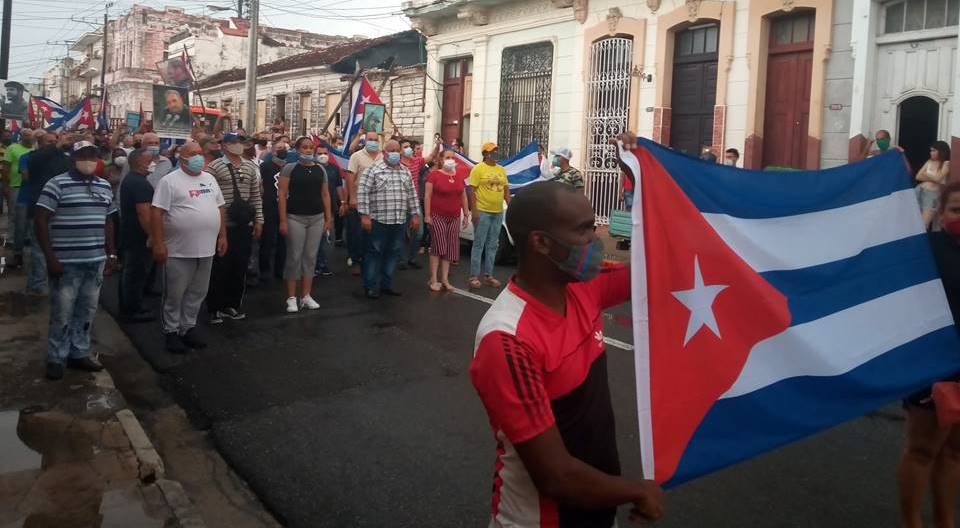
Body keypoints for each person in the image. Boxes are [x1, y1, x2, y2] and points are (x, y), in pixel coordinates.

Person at [470, 181, 664, 526]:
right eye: (583, 230)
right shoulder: (507, 339)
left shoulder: (580, 287)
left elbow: (653, 270)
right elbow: (555, 475)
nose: (595, 240)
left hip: (595, 507)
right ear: (541, 242)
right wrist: (636, 491)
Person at [898, 182, 960, 528]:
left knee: (954, 452)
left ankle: (945, 521)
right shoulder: (929, 249)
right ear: (940, 214)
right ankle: (911, 521)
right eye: (956, 210)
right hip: (932, 366)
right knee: (923, 450)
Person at [34, 140, 118, 380]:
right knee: (62, 312)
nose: (89, 160)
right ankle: (56, 357)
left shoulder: (103, 186)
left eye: (93, 155)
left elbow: (109, 220)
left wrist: (111, 253)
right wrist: (49, 258)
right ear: (73, 158)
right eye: (84, 155)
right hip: (65, 262)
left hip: (95, 260)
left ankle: (79, 352)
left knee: (88, 310)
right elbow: (41, 220)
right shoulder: (57, 184)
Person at [151, 142, 227, 353]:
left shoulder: (209, 179)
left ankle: (188, 327)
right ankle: (171, 331)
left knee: (197, 291)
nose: (198, 158)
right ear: (181, 157)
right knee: (175, 293)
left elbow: (219, 208)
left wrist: (222, 236)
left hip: (207, 248)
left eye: (200, 154)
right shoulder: (169, 181)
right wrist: (158, 243)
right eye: (193, 154)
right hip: (178, 250)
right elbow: (157, 212)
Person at [205, 133, 264, 324]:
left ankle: (232, 305)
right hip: (222, 225)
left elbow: (255, 195)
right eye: (234, 143)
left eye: (240, 142)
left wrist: (259, 220)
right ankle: (214, 307)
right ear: (224, 146)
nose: (238, 146)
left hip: (243, 225)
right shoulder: (215, 167)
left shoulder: (249, 166)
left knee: (239, 266)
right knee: (220, 267)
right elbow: (210, 197)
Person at [357, 139, 421, 299]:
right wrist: (364, 215)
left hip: (399, 221)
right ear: (384, 152)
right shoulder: (373, 170)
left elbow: (411, 194)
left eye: (396, 150)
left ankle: (386, 285)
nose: (394, 153)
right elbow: (363, 193)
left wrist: (415, 214)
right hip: (378, 220)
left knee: (393, 254)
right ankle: (370, 286)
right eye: (390, 150)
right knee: (374, 253)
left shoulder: (404, 171)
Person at [278, 138, 332, 313]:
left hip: (316, 218)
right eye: (305, 147)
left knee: (310, 257)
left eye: (311, 148)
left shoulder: (320, 169)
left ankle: (306, 296)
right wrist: (283, 220)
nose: (308, 150)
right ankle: (291, 297)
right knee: (294, 256)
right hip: (295, 217)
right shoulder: (290, 168)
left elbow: (325, 195)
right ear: (297, 149)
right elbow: (282, 194)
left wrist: (328, 218)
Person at [24, 133, 73, 294]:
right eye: (50, 142)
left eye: (55, 141)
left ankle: (49, 282)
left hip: (59, 210)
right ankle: (39, 286)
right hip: (39, 210)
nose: (54, 144)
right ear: (40, 144)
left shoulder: (65, 160)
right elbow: (36, 160)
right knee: (39, 250)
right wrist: (57, 145)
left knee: (55, 249)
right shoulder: (34, 157)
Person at [117, 148, 156, 323]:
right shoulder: (140, 183)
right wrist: (152, 235)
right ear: (139, 162)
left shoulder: (133, 180)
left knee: (132, 273)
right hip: (138, 236)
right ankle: (132, 310)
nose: (153, 163)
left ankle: (131, 305)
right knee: (135, 274)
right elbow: (144, 213)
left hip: (130, 233)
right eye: (150, 160)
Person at [424, 149, 469, 292]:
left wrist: (466, 214)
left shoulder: (459, 175)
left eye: (452, 157)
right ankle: (434, 278)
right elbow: (428, 196)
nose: (451, 160)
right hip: (437, 215)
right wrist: (427, 215)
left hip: (454, 216)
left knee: (450, 247)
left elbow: (463, 196)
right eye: (447, 157)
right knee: (439, 245)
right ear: (441, 160)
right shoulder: (434, 175)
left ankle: (445, 279)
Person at [468, 142, 510, 290]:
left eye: (497, 150)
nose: (496, 153)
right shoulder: (478, 169)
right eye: (493, 151)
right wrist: (474, 211)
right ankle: (474, 276)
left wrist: (510, 206)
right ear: (485, 154)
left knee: (493, 244)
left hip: (497, 212)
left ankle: (488, 275)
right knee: (479, 244)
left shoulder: (501, 169)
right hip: (483, 211)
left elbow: (506, 189)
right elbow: (472, 191)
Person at [346, 131, 383, 275]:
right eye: (370, 139)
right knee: (357, 233)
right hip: (360, 201)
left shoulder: (382, 157)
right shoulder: (356, 156)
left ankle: (370, 262)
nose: (373, 141)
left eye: (375, 139)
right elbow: (350, 177)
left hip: (377, 202)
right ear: (365, 140)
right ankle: (356, 260)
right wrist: (352, 197)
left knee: (373, 234)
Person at [399, 138, 438, 270]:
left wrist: (437, 145)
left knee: (419, 232)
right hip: (400, 203)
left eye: (409, 146)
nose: (409, 149)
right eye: (405, 146)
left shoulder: (416, 161)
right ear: (400, 150)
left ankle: (412, 258)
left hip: (414, 203)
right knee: (402, 233)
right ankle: (402, 259)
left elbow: (431, 156)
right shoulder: (396, 164)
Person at [3, 128, 35, 268]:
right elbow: (6, 167)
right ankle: (11, 238)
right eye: (26, 135)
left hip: (29, 188)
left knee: (26, 216)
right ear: (21, 136)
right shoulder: (12, 148)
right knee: (14, 214)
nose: (29, 137)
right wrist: (6, 185)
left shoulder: (35, 149)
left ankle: (25, 238)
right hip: (15, 185)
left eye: (30, 135)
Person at [258, 140, 288, 281]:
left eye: (284, 148)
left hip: (285, 208)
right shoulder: (265, 166)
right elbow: (259, 185)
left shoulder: (289, 168)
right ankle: (264, 269)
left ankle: (280, 270)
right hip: (269, 207)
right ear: (273, 151)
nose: (282, 150)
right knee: (267, 239)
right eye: (279, 148)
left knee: (283, 241)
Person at [314, 144, 345, 277]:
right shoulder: (312, 168)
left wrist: (343, 202)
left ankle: (323, 265)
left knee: (326, 238)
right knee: (315, 239)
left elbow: (339, 186)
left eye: (325, 153)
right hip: (314, 208)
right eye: (320, 153)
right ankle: (315, 265)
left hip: (330, 208)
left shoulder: (334, 169)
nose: (323, 155)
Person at [916, 141, 951, 230]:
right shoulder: (929, 161)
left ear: (941, 151)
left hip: (932, 195)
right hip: (919, 190)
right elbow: (918, 176)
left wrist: (926, 175)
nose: (931, 153)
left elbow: (939, 179)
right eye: (931, 150)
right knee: (915, 220)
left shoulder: (946, 163)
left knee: (924, 224)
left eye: (934, 150)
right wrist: (933, 177)